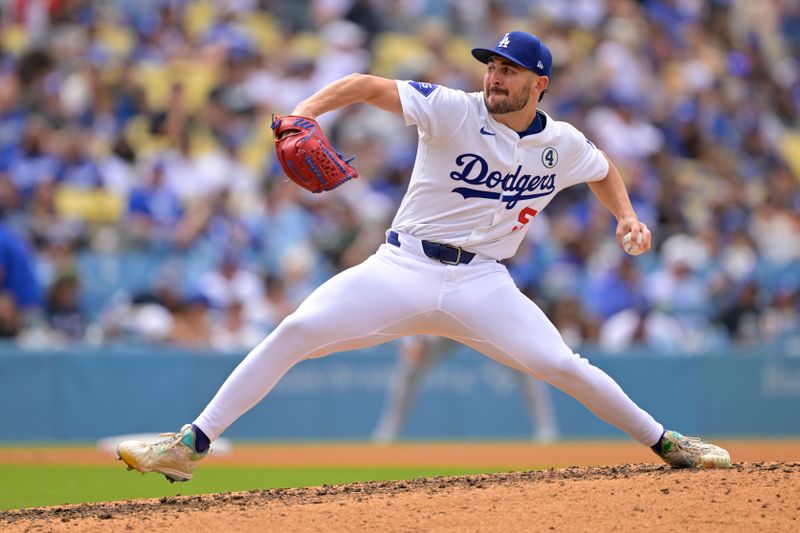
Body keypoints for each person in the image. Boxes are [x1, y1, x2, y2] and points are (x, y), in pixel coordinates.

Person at [117, 31, 731, 482]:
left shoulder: (561, 144)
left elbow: (602, 170)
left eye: (510, 70)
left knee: (563, 365)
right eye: (492, 65)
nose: (495, 76)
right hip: (401, 267)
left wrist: (625, 215)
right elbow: (363, 85)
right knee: (297, 329)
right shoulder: (451, 108)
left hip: (483, 283)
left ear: (538, 83)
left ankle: (668, 442)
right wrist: (302, 114)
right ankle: (190, 445)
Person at [372, 335, 559, 443]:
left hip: (480, 316)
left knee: (523, 366)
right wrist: (413, 339)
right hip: (445, 320)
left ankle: (546, 429)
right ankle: (388, 432)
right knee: (410, 370)